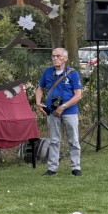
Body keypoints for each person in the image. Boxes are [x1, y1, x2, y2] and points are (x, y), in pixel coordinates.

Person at [34, 47, 84, 176]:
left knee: (73, 140)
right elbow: (40, 89)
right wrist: (38, 103)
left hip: (70, 112)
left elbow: (78, 95)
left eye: (58, 56)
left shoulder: (73, 73)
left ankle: (76, 167)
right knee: (54, 140)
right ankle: (52, 168)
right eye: (53, 56)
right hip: (52, 111)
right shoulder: (47, 72)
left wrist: (64, 106)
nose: (55, 58)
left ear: (65, 58)